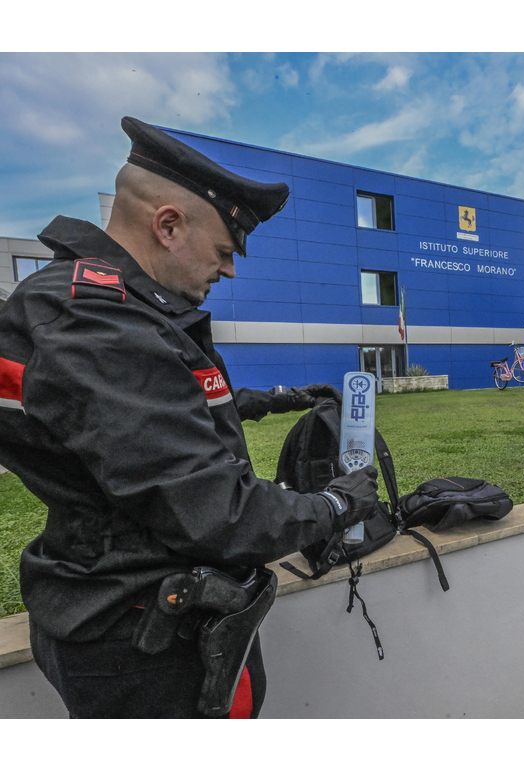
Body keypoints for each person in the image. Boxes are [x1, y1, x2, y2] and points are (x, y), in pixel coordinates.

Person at [0, 117, 380, 718]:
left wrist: (279, 397)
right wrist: (335, 505)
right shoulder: (98, 323)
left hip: (130, 612)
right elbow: (214, 509)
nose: (229, 271)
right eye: (226, 251)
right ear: (168, 224)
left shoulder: (104, 306)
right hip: (147, 639)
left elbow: (157, 412)